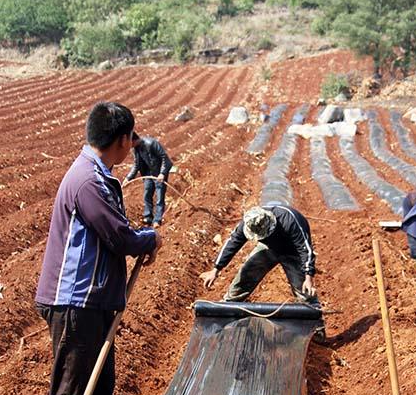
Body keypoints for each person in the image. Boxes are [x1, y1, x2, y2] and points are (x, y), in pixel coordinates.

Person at [35, 102, 162, 395]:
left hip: (94, 301)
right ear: (122, 140)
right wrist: (149, 238)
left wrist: (141, 240)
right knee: (72, 385)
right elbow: (118, 235)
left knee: (101, 386)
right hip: (74, 300)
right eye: (130, 141)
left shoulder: (98, 176)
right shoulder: (87, 181)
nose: (131, 150)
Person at [200, 205, 324, 338]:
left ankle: (316, 326)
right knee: (246, 274)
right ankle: (226, 310)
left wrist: (308, 277)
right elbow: (232, 243)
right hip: (268, 247)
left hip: (293, 250)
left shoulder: (289, 221)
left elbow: (305, 249)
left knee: (304, 291)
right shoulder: (248, 222)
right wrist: (216, 269)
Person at [122, 133, 173, 227]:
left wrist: (162, 173)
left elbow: (165, 158)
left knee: (159, 197)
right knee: (147, 194)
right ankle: (148, 217)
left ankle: (157, 220)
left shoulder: (151, 143)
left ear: (132, 141)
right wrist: (128, 178)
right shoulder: (136, 149)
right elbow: (137, 165)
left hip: (158, 174)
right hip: (148, 174)